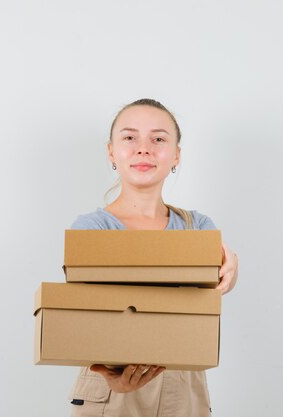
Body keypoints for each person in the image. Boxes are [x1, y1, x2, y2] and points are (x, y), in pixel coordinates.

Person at [68, 98, 239, 417]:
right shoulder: (92, 228)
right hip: (110, 387)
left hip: (182, 383)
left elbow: (216, 284)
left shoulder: (197, 226)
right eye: (130, 137)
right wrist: (110, 376)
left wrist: (233, 265)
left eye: (158, 139)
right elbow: (84, 318)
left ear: (176, 155)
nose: (143, 148)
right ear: (111, 153)